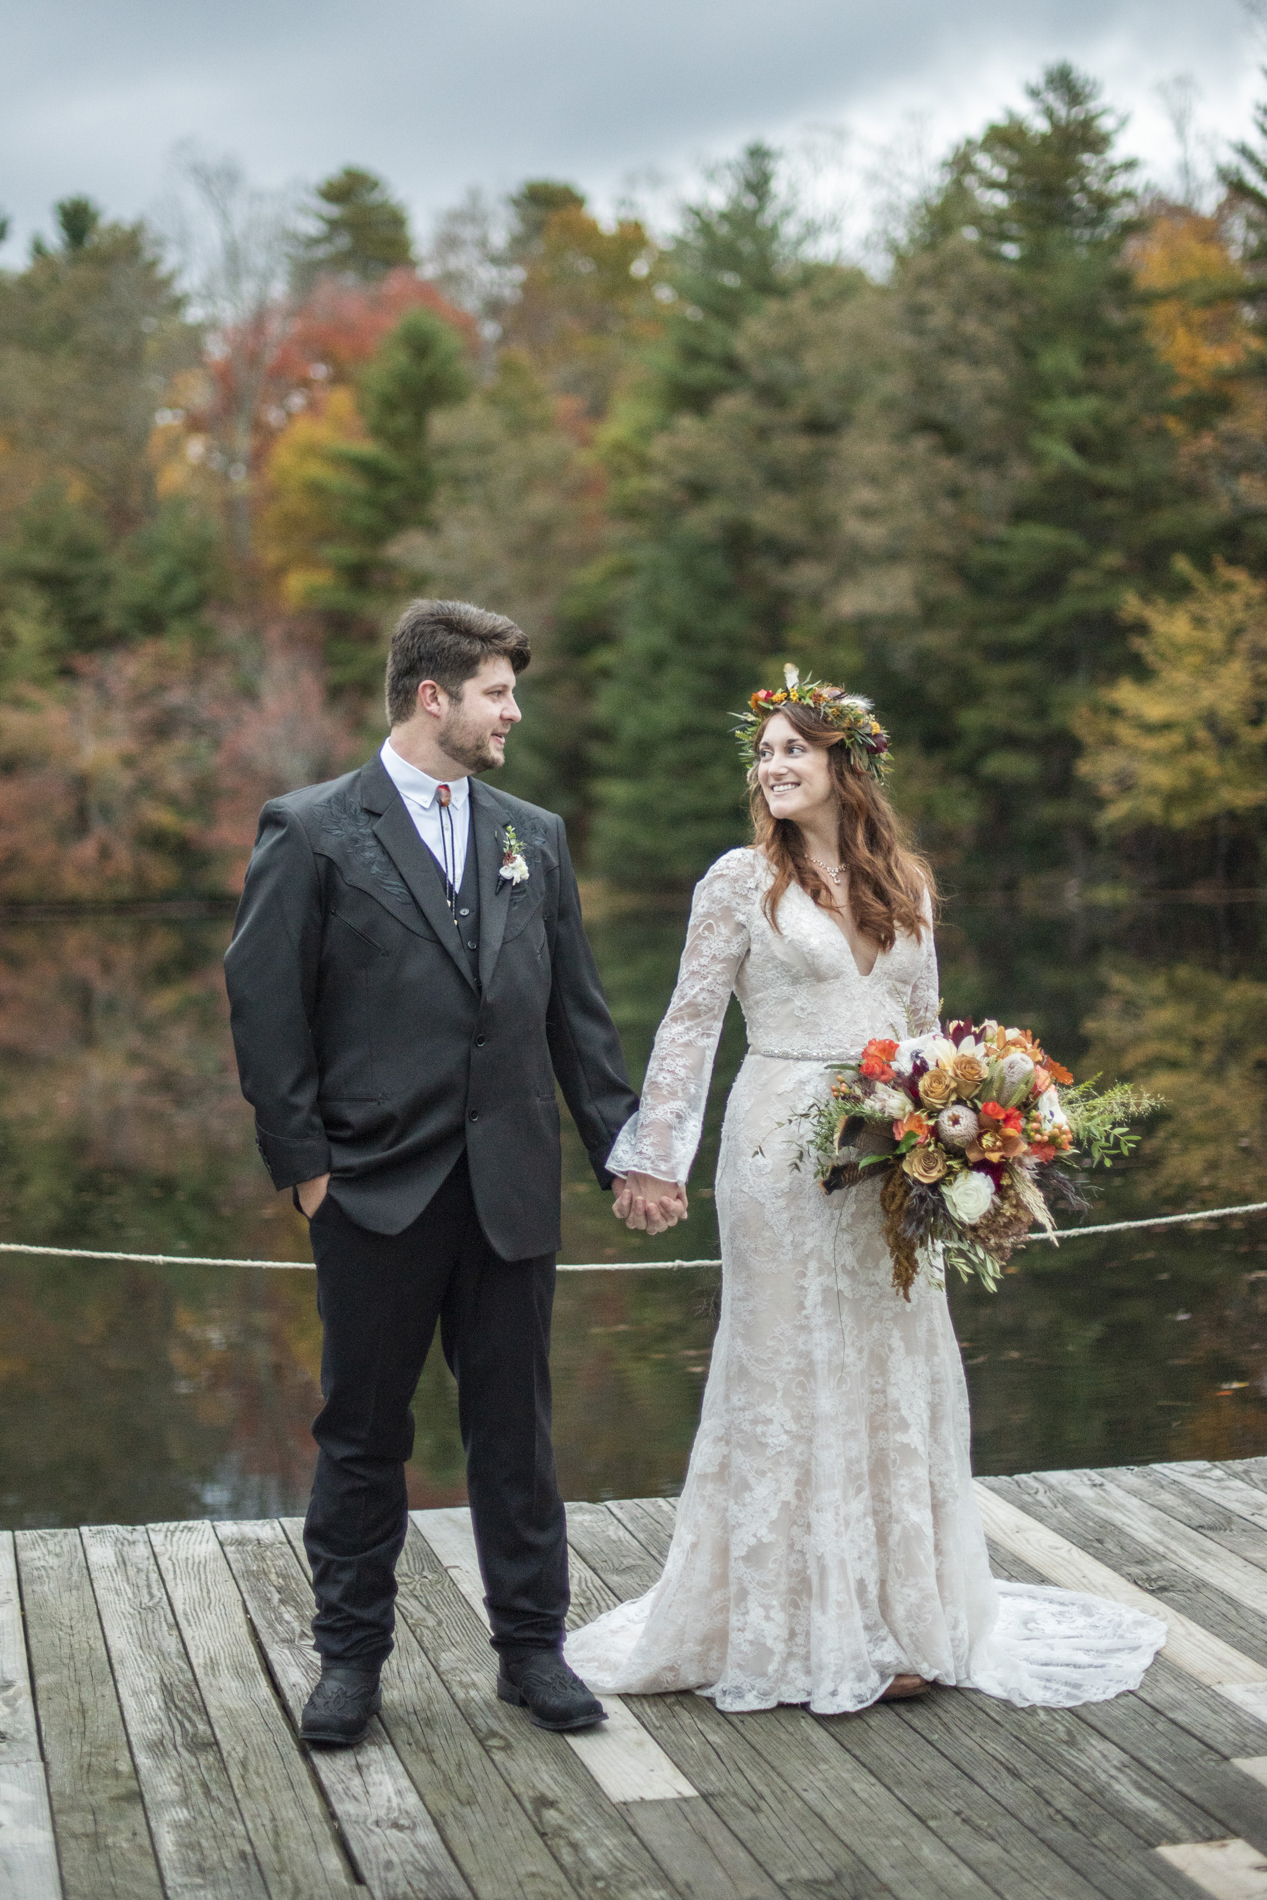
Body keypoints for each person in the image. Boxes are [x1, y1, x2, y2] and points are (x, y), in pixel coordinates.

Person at [565, 678, 1165, 1713]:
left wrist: (975, 1127)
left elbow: (930, 1028)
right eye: (763, 753)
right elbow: (688, 1026)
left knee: (894, 1363)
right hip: (776, 1148)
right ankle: (792, 1620)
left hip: (890, 1152)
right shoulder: (736, 882)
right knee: (789, 1362)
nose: (773, 766)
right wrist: (653, 1156)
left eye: (793, 748)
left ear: (848, 765)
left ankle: (902, 1616)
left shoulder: (907, 885)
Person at [225, 598, 637, 1745]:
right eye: (499, 691)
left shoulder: (532, 835)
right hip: (372, 1189)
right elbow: (265, 1012)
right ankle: (349, 1662)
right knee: (363, 1434)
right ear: (432, 697)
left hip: (510, 1188)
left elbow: (578, 1020)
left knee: (518, 1429)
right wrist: (307, 1169)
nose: (514, 710)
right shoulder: (310, 830)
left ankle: (532, 1651)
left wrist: (624, 1154)